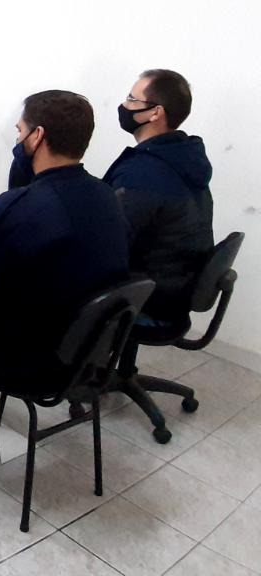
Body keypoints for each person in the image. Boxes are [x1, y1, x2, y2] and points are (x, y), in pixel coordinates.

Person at [0, 90, 129, 413]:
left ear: (37, 135)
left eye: (19, 131)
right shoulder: (108, 196)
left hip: (25, 362)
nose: (17, 139)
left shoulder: (17, 208)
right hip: (81, 358)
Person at [104, 69, 213, 369]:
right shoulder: (183, 155)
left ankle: (70, 373)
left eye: (131, 99)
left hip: (151, 298)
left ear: (155, 113)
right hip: (174, 288)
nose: (124, 106)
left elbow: (109, 243)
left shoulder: (146, 174)